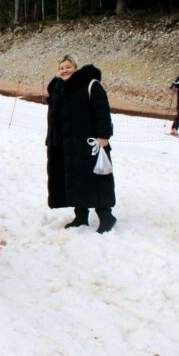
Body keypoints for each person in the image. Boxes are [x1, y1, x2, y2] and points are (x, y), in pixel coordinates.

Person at [46, 55, 117, 234]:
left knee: (97, 180)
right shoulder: (59, 88)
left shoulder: (91, 84)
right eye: (61, 68)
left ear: (76, 68)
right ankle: (81, 216)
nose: (64, 70)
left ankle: (106, 217)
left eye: (68, 67)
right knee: (74, 179)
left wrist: (103, 135)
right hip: (66, 144)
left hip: (90, 143)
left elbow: (102, 110)